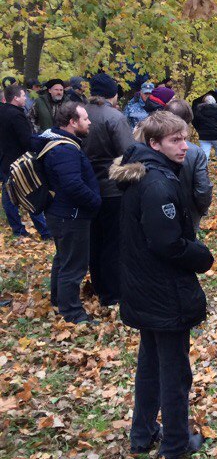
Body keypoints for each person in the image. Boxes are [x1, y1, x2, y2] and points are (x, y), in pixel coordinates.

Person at [110, 111, 214, 459]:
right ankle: (175, 443)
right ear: (154, 143)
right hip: (162, 291)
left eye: (185, 138)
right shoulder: (156, 184)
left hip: (146, 287)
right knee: (173, 370)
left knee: (151, 363)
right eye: (175, 140)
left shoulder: (149, 173)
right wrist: (202, 256)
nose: (184, 146)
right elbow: (167, 243)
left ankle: (142, 435)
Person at [35, 102, 101, 324]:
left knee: (63, 258)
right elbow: (72, 185)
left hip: (61, 213)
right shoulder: (64, 149)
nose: (89, 121)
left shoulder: (57, 142)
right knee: (74, 265)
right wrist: (95, 202)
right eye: (85, 118)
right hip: (70, 215)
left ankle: (58, 300)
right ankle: (72, 313)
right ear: (73, 123)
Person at [83, 73, 135, 307]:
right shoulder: (114, 117)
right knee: (113, 241)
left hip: (85, 187)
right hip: (112, 188)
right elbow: (129, 153)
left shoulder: (79, 113)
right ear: (113, 94)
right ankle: (113, 293)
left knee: (94, 239)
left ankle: (100, 285)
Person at [0, 84, 51, 239]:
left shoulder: (3, 112)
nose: (25, 98)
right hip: (20, 162)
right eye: (23, 95)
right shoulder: (16, 115)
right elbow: (26, 140)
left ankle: (18, 229)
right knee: (31, 193)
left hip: (5, 160)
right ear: (15, 98)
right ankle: (44, 231)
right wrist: (44, 142)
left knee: (9, 196)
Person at [165, 100, 214, 231]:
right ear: (187, 122)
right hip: (187, 216)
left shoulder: (151, 145)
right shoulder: (195, 153)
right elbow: (203, 189)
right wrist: (201, 211)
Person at [193, 95, 217, 175]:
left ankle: (202, 172)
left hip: (204, 136)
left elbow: (195, 123)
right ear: (215, 102)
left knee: (204, 154)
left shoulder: (199, 112)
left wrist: (200, 130)